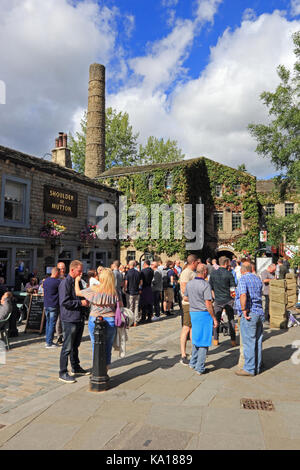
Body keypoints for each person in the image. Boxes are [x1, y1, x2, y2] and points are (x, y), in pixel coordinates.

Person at [75, 268, 120, 372]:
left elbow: (78, 293)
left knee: (95, 345)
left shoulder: (94, 288)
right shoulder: (114, 290)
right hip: (111, 320)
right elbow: (119, 305)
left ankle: (97, 371)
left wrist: (77, 281)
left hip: (95, 319)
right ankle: (105, 371)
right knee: (108, 347)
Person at [58, 260, 90, 384]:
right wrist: (80, 303)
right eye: (79, 271)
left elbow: (80, 294)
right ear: (72, 270)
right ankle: (62, 372)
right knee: (67, 347)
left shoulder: (77, 282)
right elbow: (64, 302)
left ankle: (75, 367)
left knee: (75, 345)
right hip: (69, 318)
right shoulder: (65, 283)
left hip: (78, 317)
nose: (81, 273)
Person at [184, 264, 218, 374]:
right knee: (204, 341)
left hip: (193, 312)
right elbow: (208, 303)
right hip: (203, 314)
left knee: (196, 339)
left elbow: (185, 297)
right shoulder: (205, 285)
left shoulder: (189, 284)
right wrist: (214, 317)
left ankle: (193, 362)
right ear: (204, 272)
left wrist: (195, 300)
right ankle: (200, 367)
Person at [234, 262, 264, 376]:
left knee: (248, 342)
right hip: (259, 311)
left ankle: (249, 369)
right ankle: (257, 366)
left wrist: (243, 309)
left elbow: (243, 295)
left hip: (250, 312)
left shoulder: (243, 279)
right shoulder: (257, 279)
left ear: (242, 271)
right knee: (258, 341)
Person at [209, 256, 237, 347]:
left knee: (216, 320)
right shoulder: (229, 274)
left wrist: (214, 297)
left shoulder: (213, 274)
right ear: (225, 264)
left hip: (217, 299)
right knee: (231, 319)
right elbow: (232, 288)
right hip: (228, 299)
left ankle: (216, 339)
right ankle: (233, 340)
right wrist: (233, 298)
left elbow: (211, 288)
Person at [179, 254, 198, 365]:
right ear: (193, 262)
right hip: (188, 304)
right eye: (197, 262)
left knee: (192, 328)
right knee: (186, 328)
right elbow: (184, 290)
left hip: (193, 303)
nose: (198, 264)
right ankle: (183, 355)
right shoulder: (186, 273)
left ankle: (193, 351)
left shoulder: (193, 273)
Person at [43, 267, 61, 349]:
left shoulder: (46, 281)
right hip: (53, 305)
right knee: (52, 324)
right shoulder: (58, 282)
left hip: (46, 304)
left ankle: (47, 341)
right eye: (59, 273)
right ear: (56, 273)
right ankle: (49, 343)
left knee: (48, 323)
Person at [124, 260, 142, 327]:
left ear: (129, 264)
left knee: (130, 307)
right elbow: (141, 282)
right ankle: (135, 321)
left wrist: (125, 289)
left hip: (130, 292)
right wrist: (139, 289)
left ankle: (130, 321)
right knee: (136, 306)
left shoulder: (128, 273)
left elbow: (126, 282)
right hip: (137, 291)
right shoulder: (138, 273)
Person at [56, 261, 66, 345]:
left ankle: (65, 335)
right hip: (58, 302)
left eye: (63, 268)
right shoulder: (55, 278)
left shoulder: (66, 278)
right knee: (59, 320)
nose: (62, 270)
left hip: (66, 302)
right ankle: (59, 336)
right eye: (60, 268)